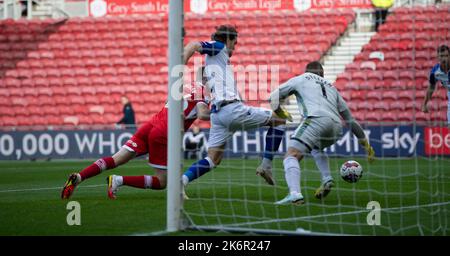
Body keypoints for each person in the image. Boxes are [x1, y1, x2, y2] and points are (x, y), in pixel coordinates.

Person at [61, 69, 211, 200]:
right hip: (163, 133)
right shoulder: (201, 94)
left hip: (150, 125)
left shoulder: (182, 87)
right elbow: (203, 114)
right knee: (162, 182)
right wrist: (221, 115)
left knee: (116, 159)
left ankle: (79, 177)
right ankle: (119, 180)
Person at [181, 24, 293, 197]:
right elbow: (194, 45)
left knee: (213, 159)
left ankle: (182, 182)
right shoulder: (219, 48)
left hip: (218, 115)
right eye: (235, 41)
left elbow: (204, 79)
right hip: (231, 110)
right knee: (278, 120)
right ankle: (266, 166)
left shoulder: (216, 65)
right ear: (228, 39)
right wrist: (181, 63)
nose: (235, 46)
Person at [269, 61, 375, 205]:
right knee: (315, 147)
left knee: (291, 155)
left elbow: (273, 97)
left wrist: (280, 112)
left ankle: (295, 195)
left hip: (316, 119)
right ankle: (327, 178)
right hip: (336, 127)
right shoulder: (331, 87)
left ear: (307, 71)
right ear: (322, 74)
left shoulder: (301, 78)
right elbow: (350, 120)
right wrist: (366, 144)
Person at [422, 45, 450, 125]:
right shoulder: (435, 72)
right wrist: (425, 104)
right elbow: (431, 88)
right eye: (441, 56)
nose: (444, 58)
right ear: (438, 57)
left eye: (446, 56)